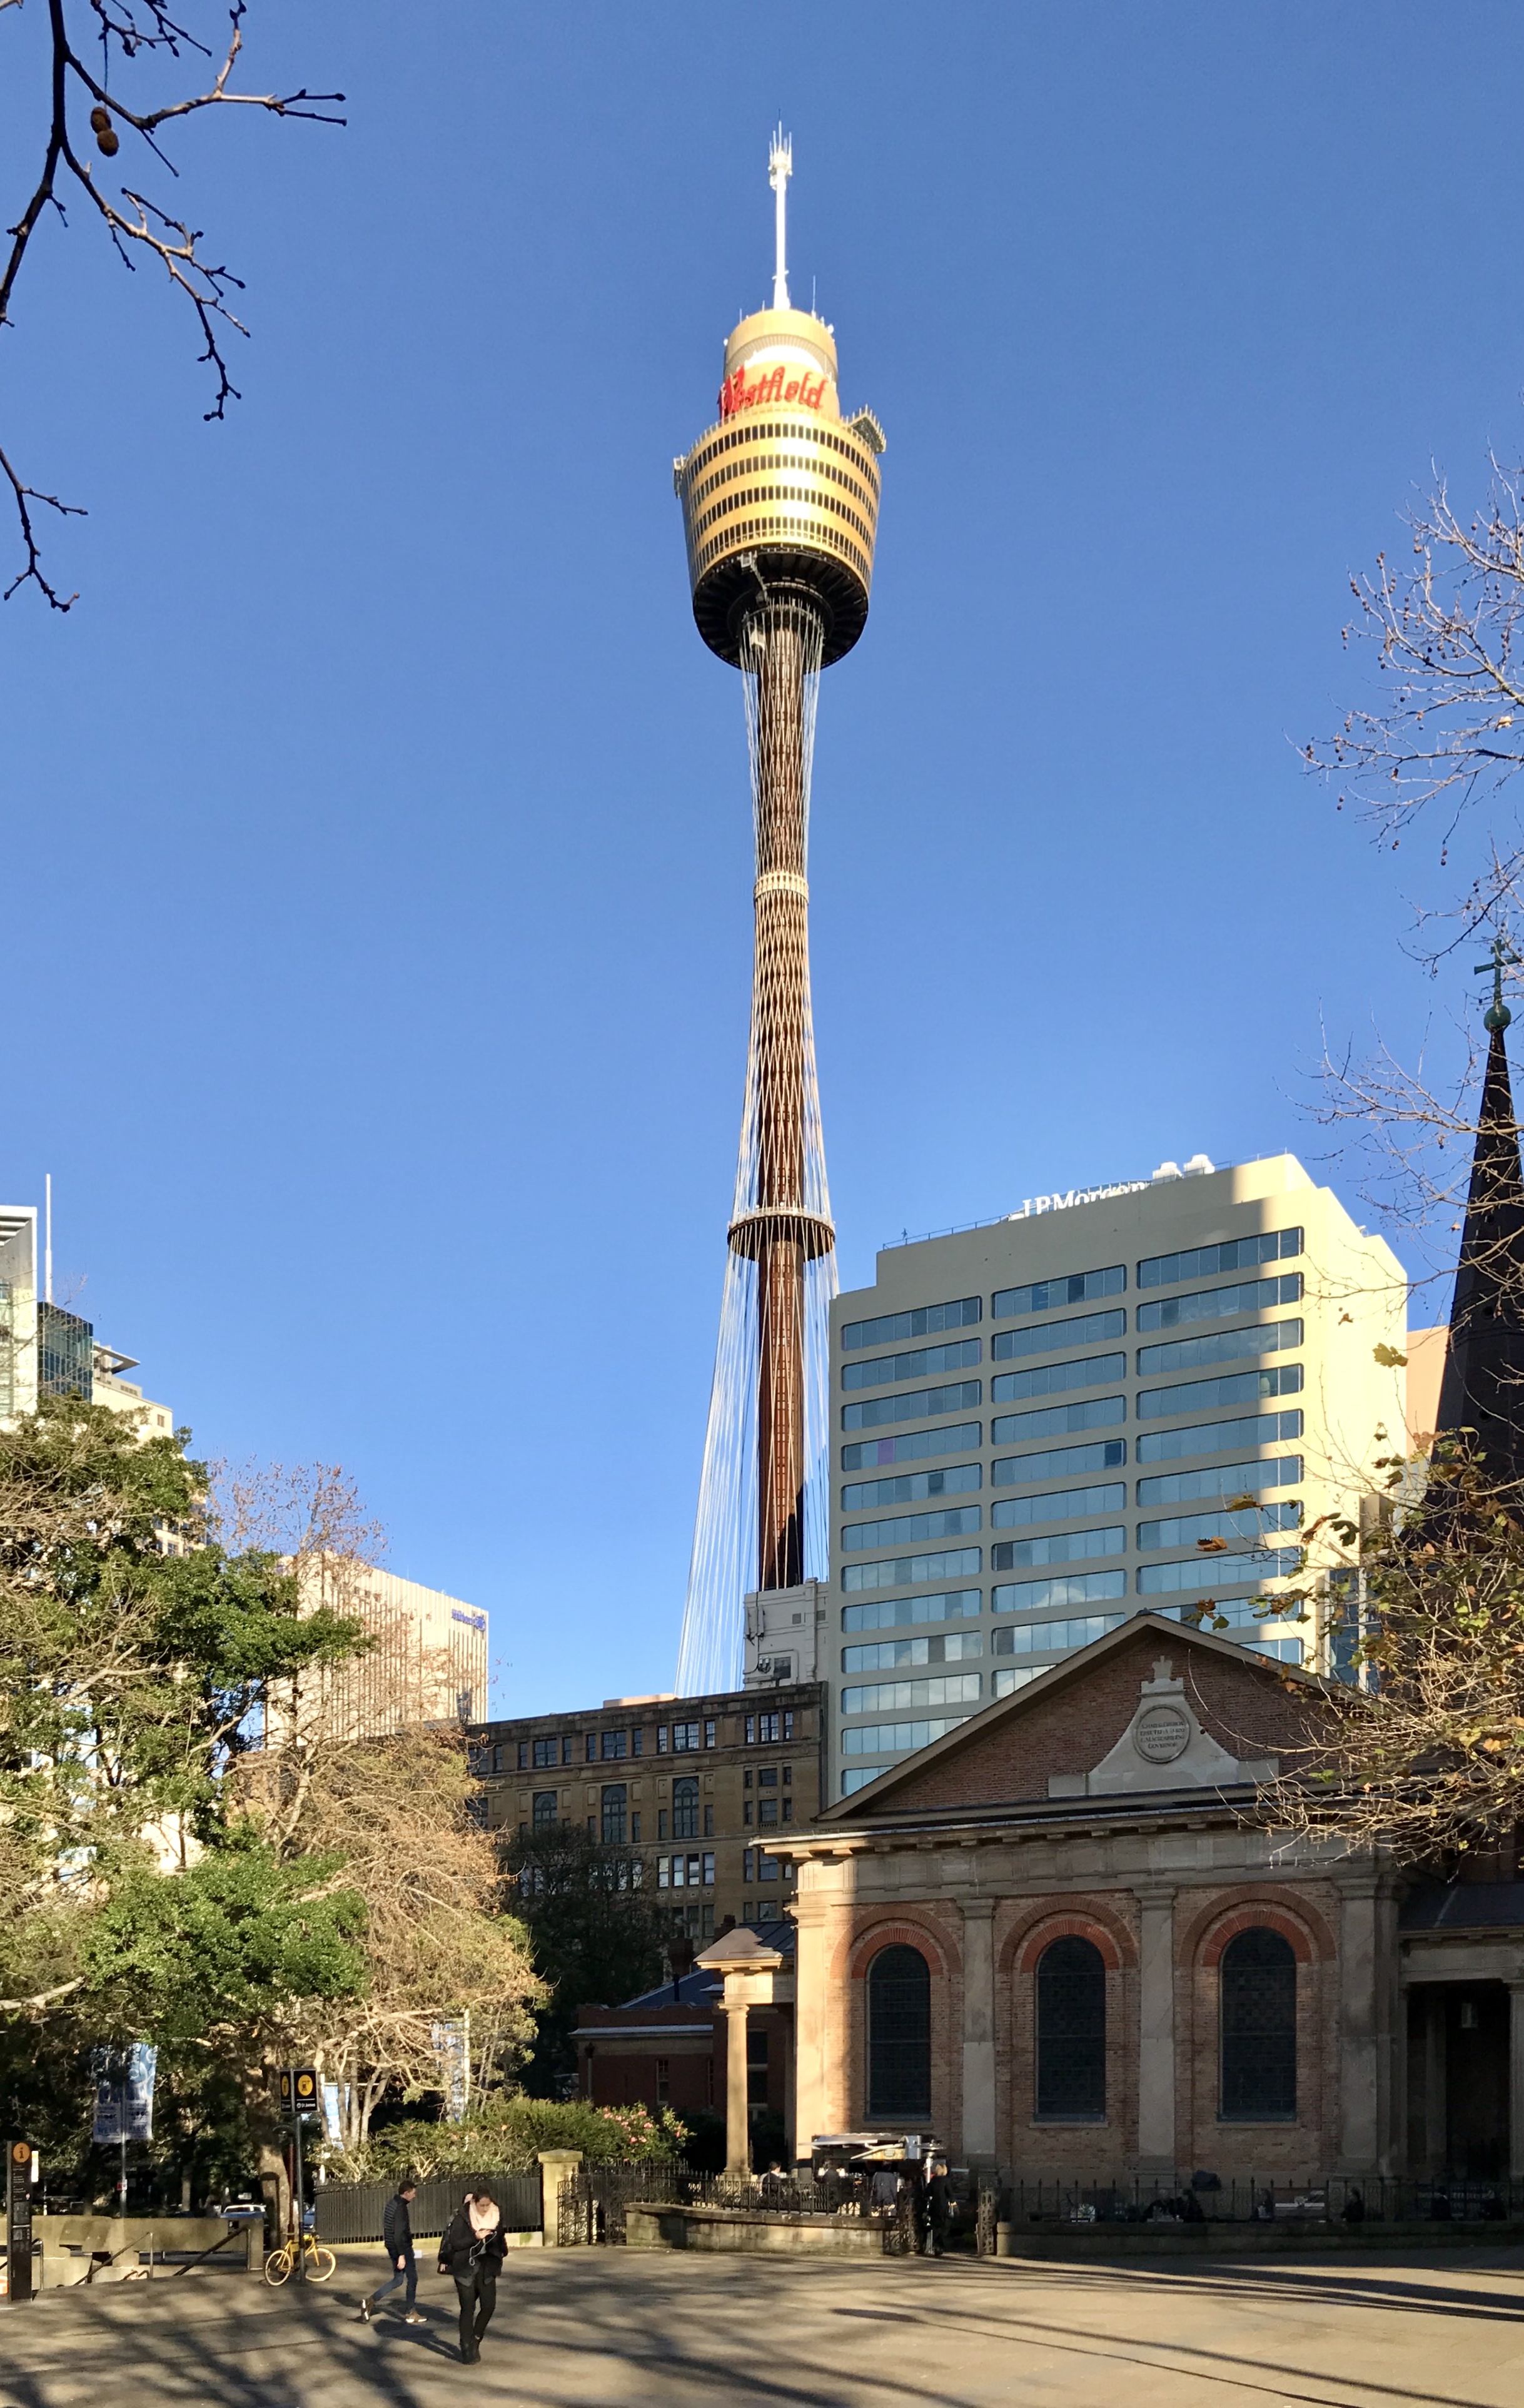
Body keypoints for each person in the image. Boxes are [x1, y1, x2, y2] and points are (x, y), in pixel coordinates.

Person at [437, 2187, 507, 2364]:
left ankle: (476, 2338)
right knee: (468, 2308)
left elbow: (500, 2239)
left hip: (487, 2266)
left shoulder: (496, 2216)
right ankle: (466, 2345)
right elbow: (455, 2242)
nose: (485, 2209)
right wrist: (475, 2237)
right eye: (482, 2205)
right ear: (474, 2203)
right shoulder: (462, 2218)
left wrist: (500, 2251)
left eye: (487, 2205)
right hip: (464, 2267)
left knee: (489, 2306)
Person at [360, 2175, 423, 2325]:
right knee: (413, 2279)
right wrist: (402, 2255)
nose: (414, 2196)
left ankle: (370, 2301)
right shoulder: (401, 2208)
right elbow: (399, 2233)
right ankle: (410, 2312)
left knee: (398, 2280)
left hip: (392, 2247)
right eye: (413, 2193)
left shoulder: (391, 2204)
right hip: (402, 2248)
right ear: (406, 2193)